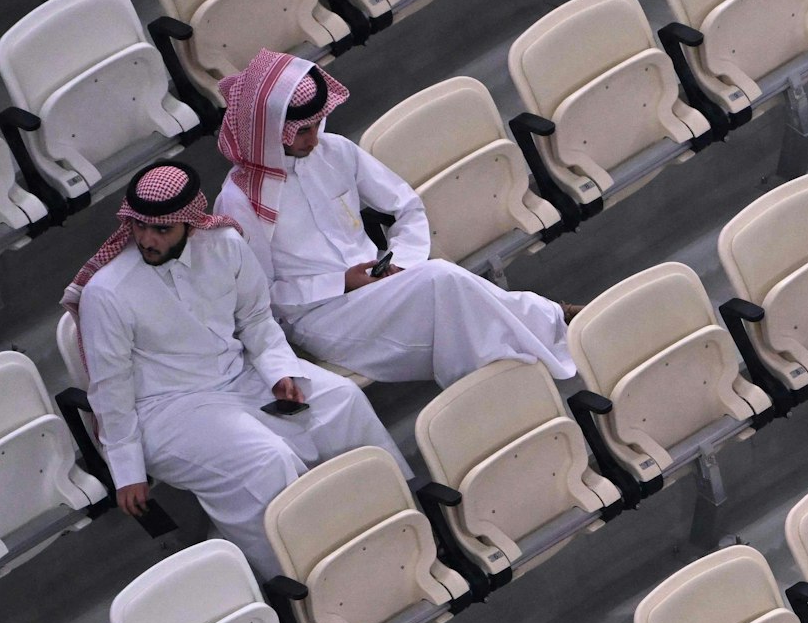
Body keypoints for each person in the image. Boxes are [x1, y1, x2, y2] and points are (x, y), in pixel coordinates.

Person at [64, 161, 409, 576]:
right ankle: (305, 576)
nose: (146, 239)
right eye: (139, 227)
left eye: (161, 230)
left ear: (190, 225)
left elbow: (256, 321)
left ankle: (396, 523)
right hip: (167, 409)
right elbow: (110, 389)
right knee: (268, 461)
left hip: (240, 374)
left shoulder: (225, 244)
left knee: (342, 400)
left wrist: (279, 372)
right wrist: (127, 468)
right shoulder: (108, 292)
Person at [212, 50, 579, 387]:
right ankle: (556, 323)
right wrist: (341, 283)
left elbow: (407, 207)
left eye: (316, 125)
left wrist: (399, 263)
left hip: (385, 290)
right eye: (302, 130)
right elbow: (262, 298)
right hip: (321, 317)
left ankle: (519, 371)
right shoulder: (240, 199)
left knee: (456, 306)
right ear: (270, 129)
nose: (313, 139)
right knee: (446, 283)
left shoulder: (335, 151)